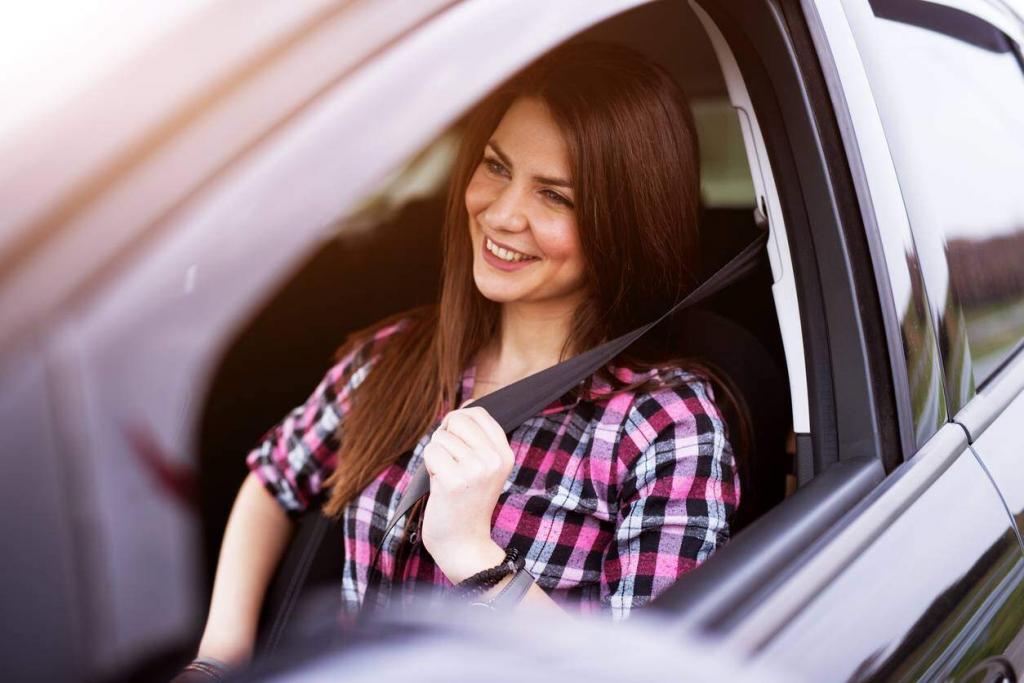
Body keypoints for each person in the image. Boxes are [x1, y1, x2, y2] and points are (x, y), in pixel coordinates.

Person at [190, 42, 742, 674]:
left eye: (556, 197)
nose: (502, 213)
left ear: (624, 222)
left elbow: (647, 670)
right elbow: (272, 480)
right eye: (496, 166)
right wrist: (214, 662)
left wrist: (475, 558)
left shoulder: (664, 429)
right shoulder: (397, 358)